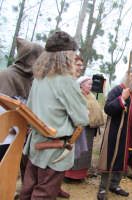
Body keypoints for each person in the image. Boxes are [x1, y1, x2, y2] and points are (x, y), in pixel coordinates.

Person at [20, 31, 89, 200]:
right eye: (72, 54)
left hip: (36, 145)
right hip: (53, 150)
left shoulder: (39, 77)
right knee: (43, 195)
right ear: (65, 55)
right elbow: (82, 119)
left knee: (27, 191)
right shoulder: (65, 80)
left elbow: (29, 110)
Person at [97, 67, 132, 200]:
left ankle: (115, 185)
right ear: (127, 76)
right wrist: (122, 99)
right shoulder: (117, 90)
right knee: (111, 159)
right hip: (116, 133)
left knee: (123, 160)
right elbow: (108, 109)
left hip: (130, 135)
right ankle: (102, 189)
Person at [0, 38, 43, 164]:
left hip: (19, 135)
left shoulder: (33, 79)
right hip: (4, 135)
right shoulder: (6, 76)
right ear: (30, 59)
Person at [65, 76, 104, 181]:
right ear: (81, 85)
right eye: (89, 84)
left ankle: (80, 175)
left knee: (86, 153)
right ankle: (69, 175)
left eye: (91, 84)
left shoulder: (90, 96)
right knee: (76, 151)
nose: (91, 86)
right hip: (79, 128)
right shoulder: (77, 95)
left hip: (89, 129)